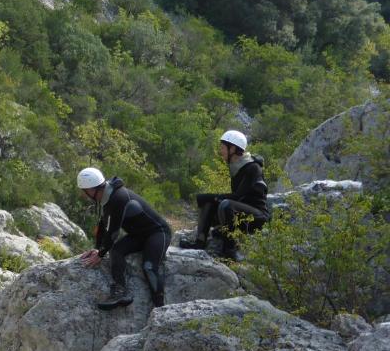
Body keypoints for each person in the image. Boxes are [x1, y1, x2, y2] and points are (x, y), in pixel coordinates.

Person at [77, 167, 172, 310]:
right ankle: (120, 292)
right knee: (116, 251)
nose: (84, 195)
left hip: (158, 233)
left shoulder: (118, 198)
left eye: (84, 192)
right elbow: (103, 224)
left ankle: (160, 308)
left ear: (91, 190)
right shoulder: (107, 196)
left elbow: (113, 232)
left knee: (149, 266)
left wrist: (101, 254)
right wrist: (97, 248)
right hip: (139, 235)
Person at [178, 130, 269, 259]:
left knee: (225, 204)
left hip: (257, 218)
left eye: (222, 147)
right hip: (240, 214)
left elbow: (238, 196)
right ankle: (199, 242)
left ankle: (230, 250)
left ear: (232, 148)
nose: (220, 151)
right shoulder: (236, 166)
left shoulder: (252, 167)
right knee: (210, 203)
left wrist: (209, 197)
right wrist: (209, 199)